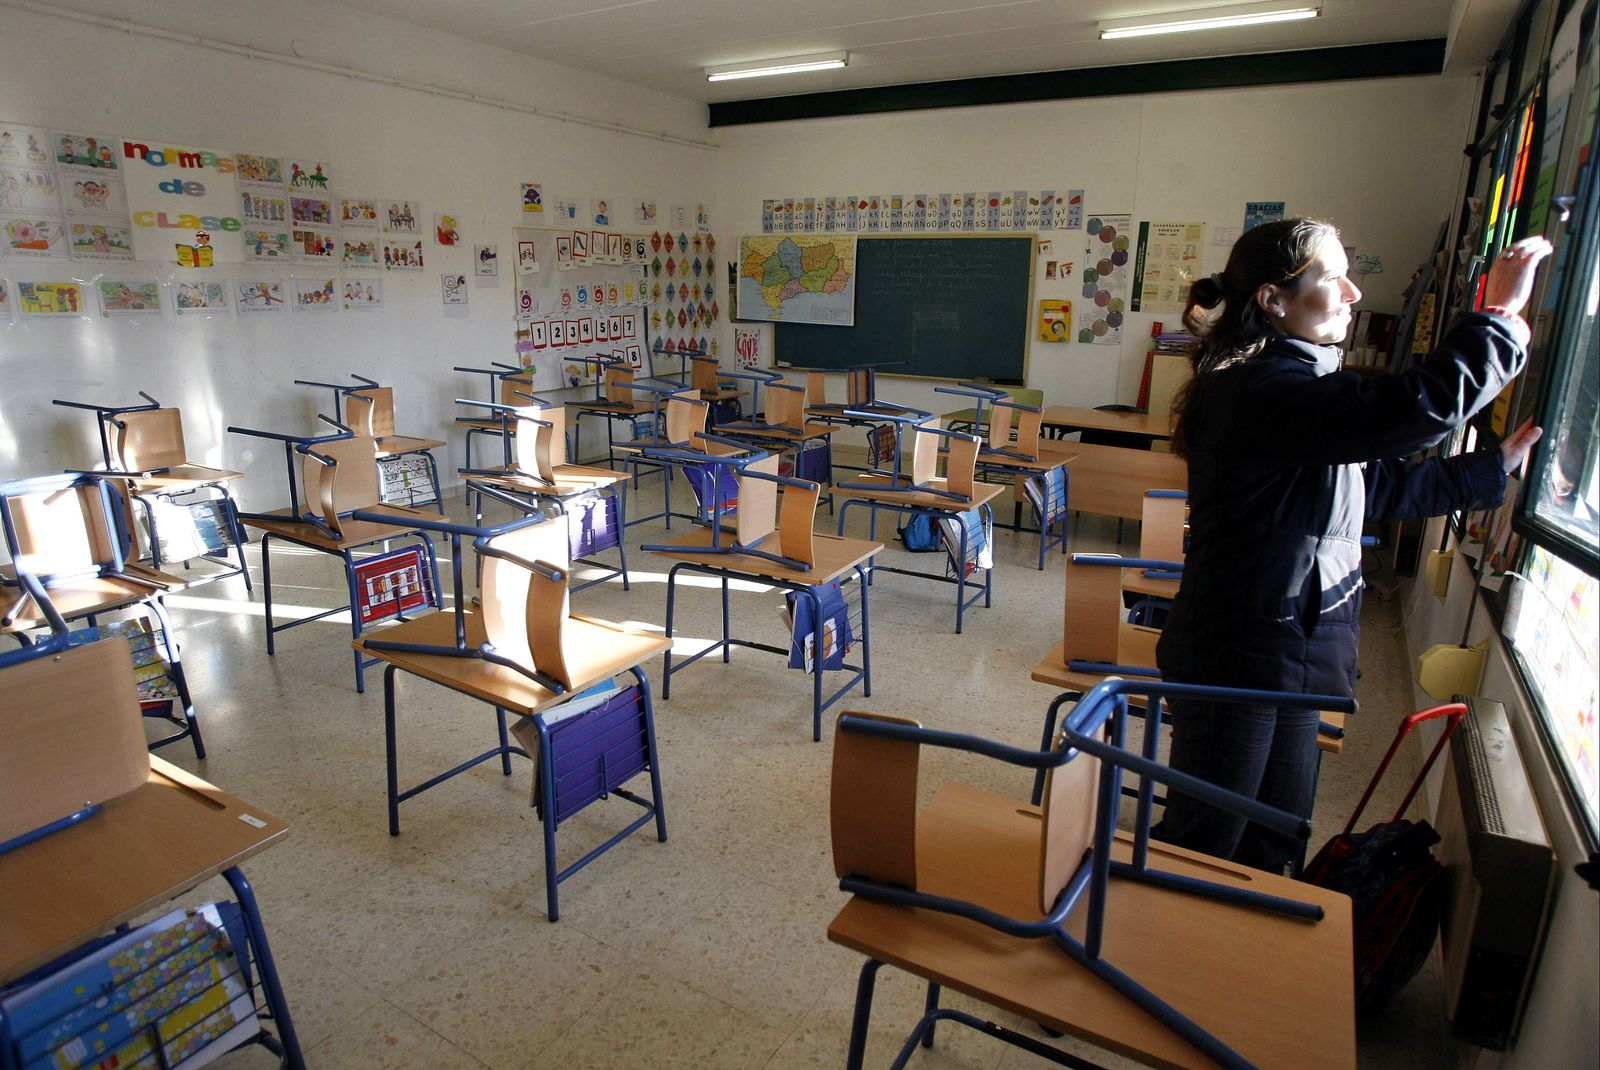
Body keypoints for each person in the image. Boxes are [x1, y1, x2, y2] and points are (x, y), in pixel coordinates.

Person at [1149, 218, 1552, 874]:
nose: (1354, 293)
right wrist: (1499, 318)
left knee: (1275, 838)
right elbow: (1413, 407)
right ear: (1273, 301)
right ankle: (1154, 961)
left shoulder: (1296, 393)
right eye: (1333, 276)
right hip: (1239, 654)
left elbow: (1374, 492)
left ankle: (1240, 964)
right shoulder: (1260, 389)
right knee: (1207, 841)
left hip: (1284, 652)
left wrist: (1486, 471)